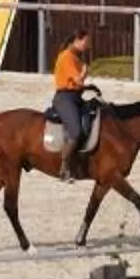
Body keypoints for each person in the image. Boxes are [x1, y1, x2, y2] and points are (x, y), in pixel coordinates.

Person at [49, 28, 96, 178]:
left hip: (75, 96)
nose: (87, 45)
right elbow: (77, 80)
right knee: (75, 132)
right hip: (65, 98)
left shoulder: (77, 57)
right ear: (76, 41)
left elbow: (79, 84)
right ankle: (64, 165)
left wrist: (89, 87)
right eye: (86, 42)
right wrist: (84, 72)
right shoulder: (66, 57)